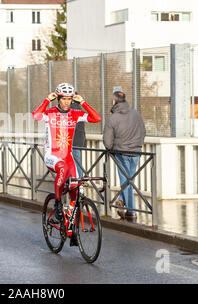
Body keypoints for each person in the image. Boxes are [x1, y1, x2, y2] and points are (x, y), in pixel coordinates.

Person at [32, 83, 101, 246]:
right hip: (52, 155)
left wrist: (83, 102)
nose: (67, 102)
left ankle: (72, 227)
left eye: (69, 99)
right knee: (62, 168)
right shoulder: (50, 113)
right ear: (58, 98)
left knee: (76, 191)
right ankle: (57, 205)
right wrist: (46, 100)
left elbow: (97, 118)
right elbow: (36, 116)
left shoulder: (75, 114)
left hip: (68, 156)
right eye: (64, 99)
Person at [103, 89, 146, 222]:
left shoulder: (112, 118)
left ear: (114, 101)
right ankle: (121, 200)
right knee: (129, 180)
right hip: (136, 152)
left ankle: (131, 212)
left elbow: (107, 142)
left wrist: (111, 149)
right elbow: (143, 131)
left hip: (121, 153)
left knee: (126, 181)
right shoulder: (136, 114)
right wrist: (137, 145)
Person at [70, 93, 87, 178]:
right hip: (79, 140)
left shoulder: (72, 110)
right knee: (77, 161)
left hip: (73, 140)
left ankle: (77, 180)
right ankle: (78, 180)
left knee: (75, 161)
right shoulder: (79, 108)